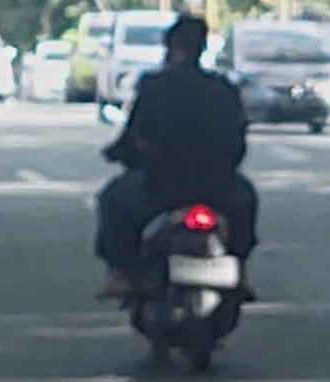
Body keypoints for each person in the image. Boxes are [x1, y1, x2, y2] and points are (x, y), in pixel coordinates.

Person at [95, 15, 258, 299]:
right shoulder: (224, 89)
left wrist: (118, 152)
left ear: (171, 46)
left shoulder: (154, 86)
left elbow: (134, 134)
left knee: (111, 201)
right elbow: (238, 142)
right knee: (247, 203)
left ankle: (123, 273)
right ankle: (238, 270)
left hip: (158, 187)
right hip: (218, 188)